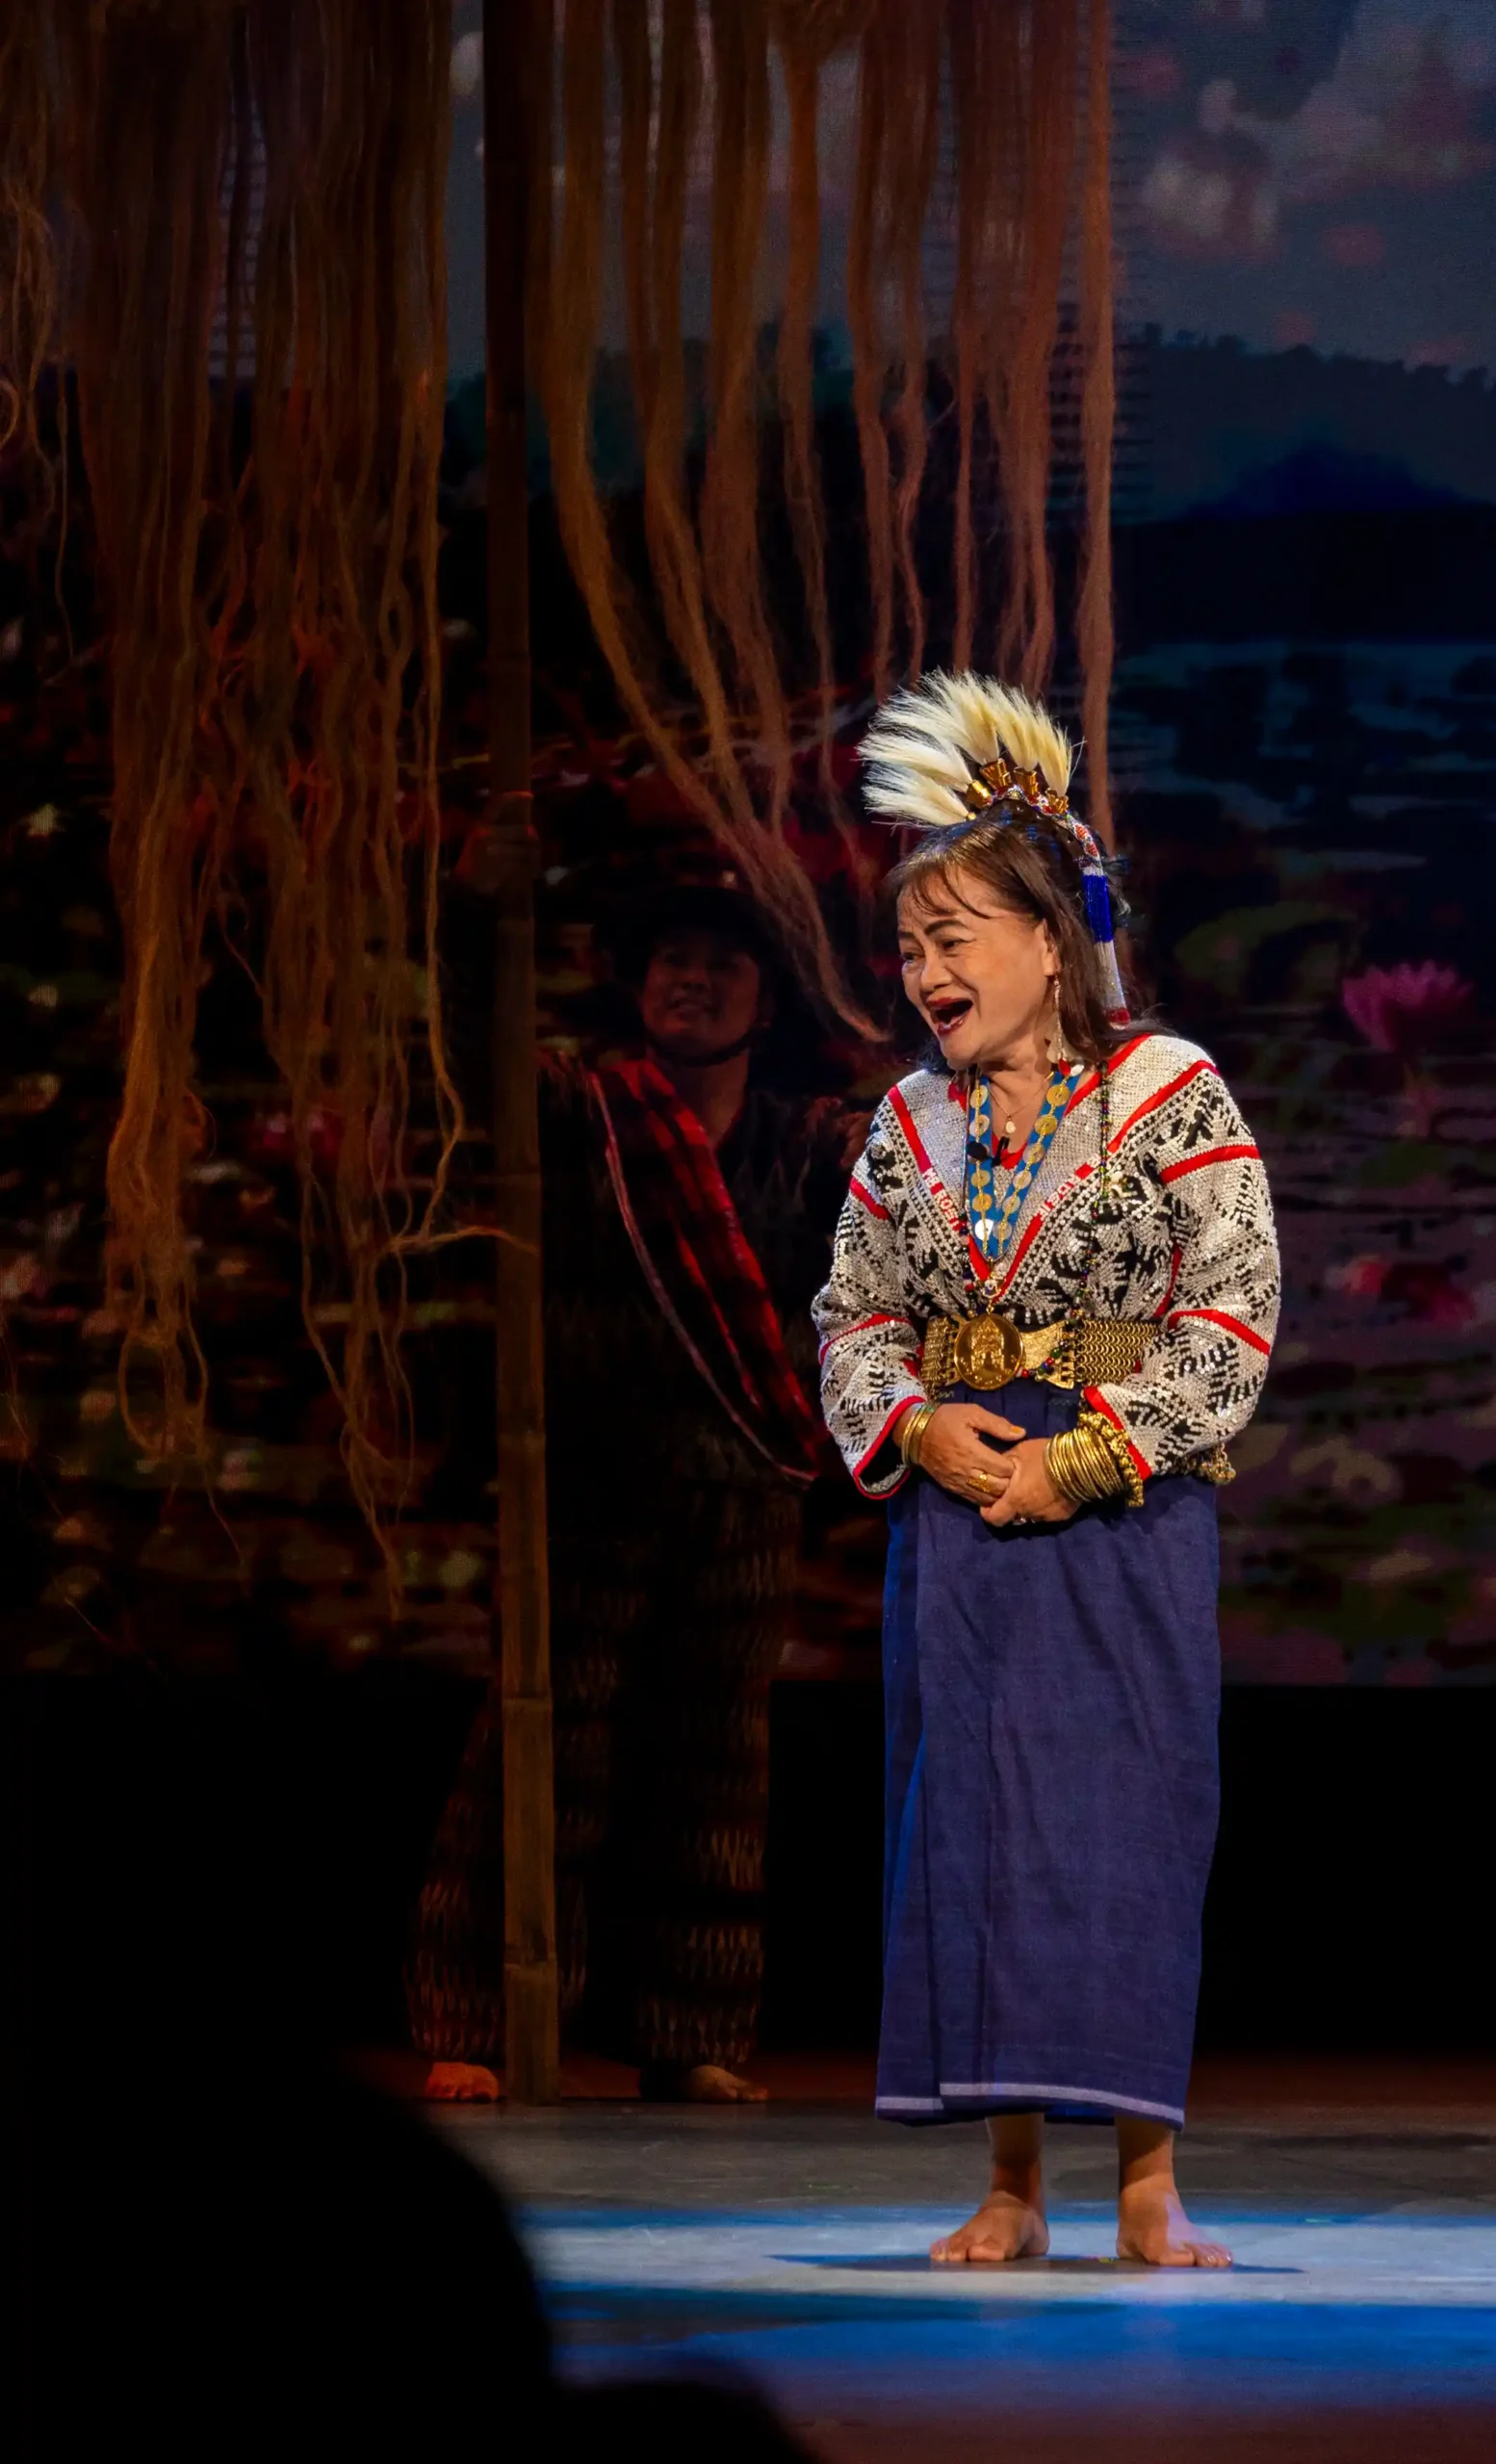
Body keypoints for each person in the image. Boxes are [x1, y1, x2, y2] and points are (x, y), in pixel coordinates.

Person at [812, 673, 1280, 2265]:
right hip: (958, 1514)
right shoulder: (910, 1124)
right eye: (909, 948)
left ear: (1049, 941)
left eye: (952, 939)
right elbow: (852, 1317)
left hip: (1119, 1508)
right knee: (978, 1828)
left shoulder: (1170, 1093)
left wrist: (1083, 1464)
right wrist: (918, 1427)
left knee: (1127, 1816)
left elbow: (1230, 1313)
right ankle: (1010, 2182)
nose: (924, 973)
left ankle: (1146, 2179)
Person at [410, 876, 855, 2104]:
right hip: (584, 1487)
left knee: (713, 1768)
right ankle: (477, 2022)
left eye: (721, 963)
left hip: (741, 1493)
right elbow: (467, 1038)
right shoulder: (576, 1112)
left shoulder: (810, 1142)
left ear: (765, 1002)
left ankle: (686, 2030)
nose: (689, 978)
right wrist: (483, 909)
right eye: (670, 958)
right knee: (541, 1746)